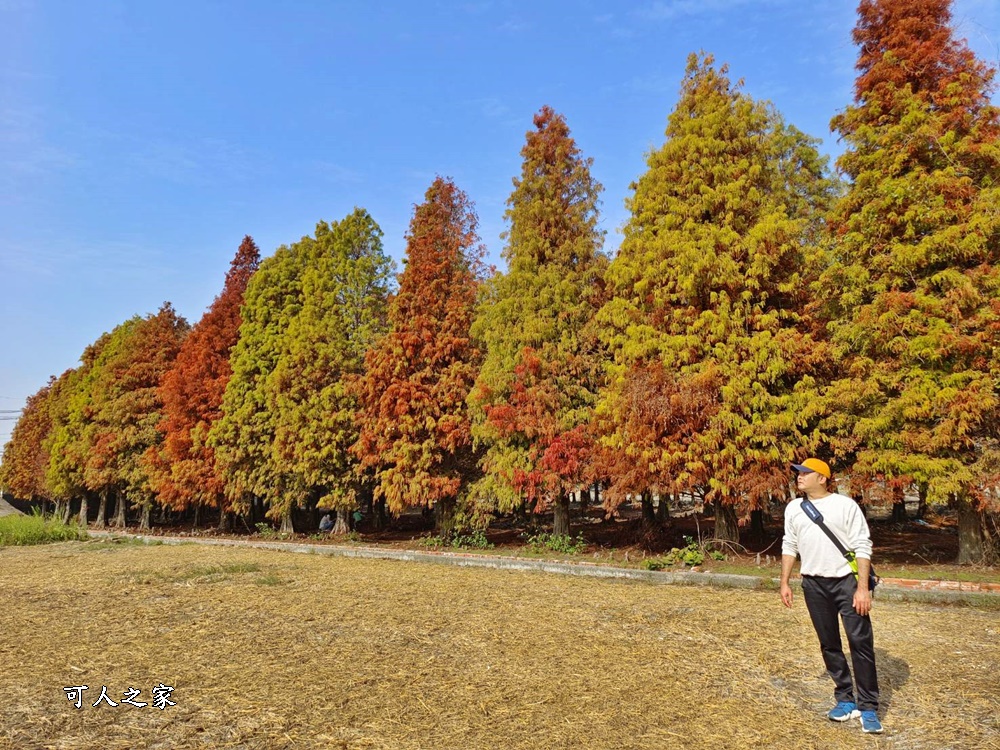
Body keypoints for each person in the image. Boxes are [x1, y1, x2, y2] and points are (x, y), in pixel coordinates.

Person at [780, 458, 883, 734]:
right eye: (798, 474)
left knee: (860, 643)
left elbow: (863, 545)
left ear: (823, 478)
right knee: (829, 644)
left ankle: (869, 706)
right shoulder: (794, 508)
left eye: (805, 473)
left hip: (847, 584)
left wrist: (862, 589)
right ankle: (845, 699)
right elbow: (790, 544)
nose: (799, 477)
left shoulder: (845, 506)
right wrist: (785, 582)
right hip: (814, 585)